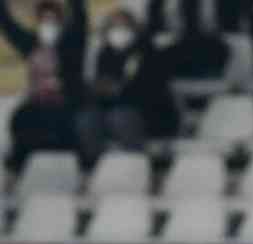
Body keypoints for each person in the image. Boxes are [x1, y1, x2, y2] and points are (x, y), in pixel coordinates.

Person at [77, 3, 180, 160]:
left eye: (124, 26)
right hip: (112, 108)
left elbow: (152, 87)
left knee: (120, 118)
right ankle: (94, 163)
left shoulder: (148, 51)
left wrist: (121, 89)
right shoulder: (104, 54)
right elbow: (101, 84)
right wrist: (101, 89)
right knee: (86, 119)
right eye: (114, 26)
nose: (119, 31)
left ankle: (136, 162)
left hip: (148, 111)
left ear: (134, 28)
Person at [0, 0, 87, 171]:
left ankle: (84, 172)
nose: (48, 25)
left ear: (61, 22)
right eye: (44, 20)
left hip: (67, 105)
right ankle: (14, 173)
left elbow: (80, 16)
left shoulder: (72, 43)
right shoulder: (32, 44)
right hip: (37, 106)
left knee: (76, 125)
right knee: (21, 119)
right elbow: (8, 26)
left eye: (53, 20)